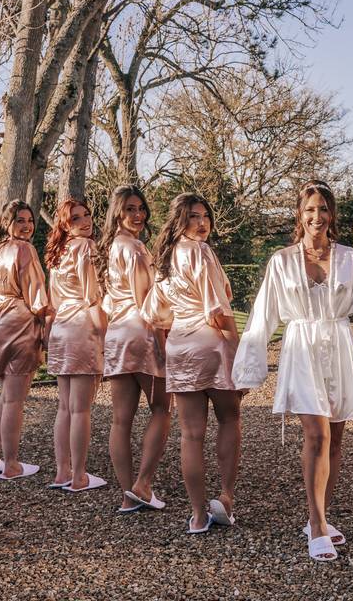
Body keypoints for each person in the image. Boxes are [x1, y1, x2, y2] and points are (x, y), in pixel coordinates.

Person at [233, 180, 353, 562]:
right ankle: (316, 525)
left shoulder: (351, 259)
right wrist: (248, 370)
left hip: (338, 348)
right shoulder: (281, 261)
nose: (316, 217)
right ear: (299, 216)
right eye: (309, 210)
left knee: (335, 440)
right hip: (301, 349)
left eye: (323, 209)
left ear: (332, 214)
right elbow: (262, 316)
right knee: (315, 435)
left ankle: (321, 515)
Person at [143, 193, 243, 534]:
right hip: (211, 343)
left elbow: (155, 315)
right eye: (192, 217)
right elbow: (217, 311)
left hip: (180, 346)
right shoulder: (200, 252)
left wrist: (166, 349)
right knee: (229, 417)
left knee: (190, 434)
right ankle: (226, 498)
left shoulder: (165, 258)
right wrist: (238, 347)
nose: (201, 223)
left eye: (204, 216)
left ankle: (198, 516)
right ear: (179, 221)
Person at [98, 184, 171, 513]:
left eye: (141, 208)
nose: (138, 214)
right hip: (140, 334)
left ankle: (128, 494)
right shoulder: (136, 248)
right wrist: (166, 344)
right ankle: (143, 483)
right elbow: (148, 305)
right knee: (162, 410)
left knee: (121, 420)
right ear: (117, 212)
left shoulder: (112, 247)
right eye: (130, 209)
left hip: (116, 335)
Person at [0, 200, 48, 480]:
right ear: (7, 223)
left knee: (5, 395)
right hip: (18, 322)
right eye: (20, 220)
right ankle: (12, 463)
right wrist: (46, 319)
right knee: (15, 399)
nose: (27, 225)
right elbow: (37, 296)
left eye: (29, 220)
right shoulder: (24, 249)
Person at [45, 199, 107, 492]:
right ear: (64, 224)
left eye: (87, 214)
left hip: (60, 327)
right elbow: (92, 295)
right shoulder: (85, 247)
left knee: (65, 407)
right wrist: (104, 338)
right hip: (82, 326)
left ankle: (62, 472)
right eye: (75, 219)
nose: (85, 221)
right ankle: (80, 475)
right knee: (80, 409)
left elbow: (53, 300)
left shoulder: (57, 252)